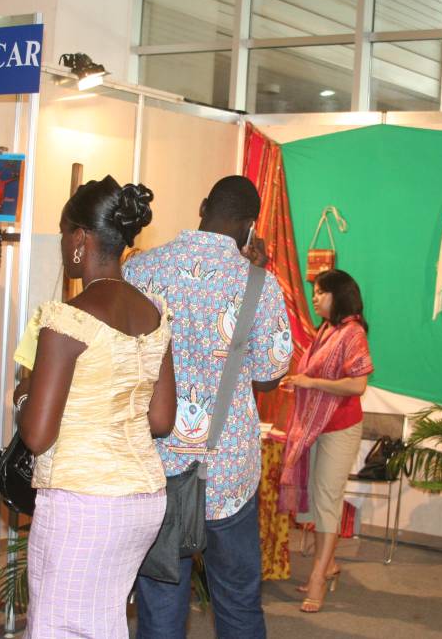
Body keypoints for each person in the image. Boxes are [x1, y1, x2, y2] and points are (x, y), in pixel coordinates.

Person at [125, 175, 292, 639]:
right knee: (237, 603)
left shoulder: (140, 270)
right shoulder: (260, 284)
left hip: (158, 464)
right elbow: (269, 375)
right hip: (228, 471)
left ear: (202, 207)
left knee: (160, 609)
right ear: (250, 226)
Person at [16, 176, 177, 638]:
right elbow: (161, 419)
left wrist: (23, 394)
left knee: (57, 626)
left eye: (64, 232)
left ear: (81, 239)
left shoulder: (68, 319)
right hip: (143, 499)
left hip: (81, 500)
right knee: (104, 622)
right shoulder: (154, 313)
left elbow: (37, 436)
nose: (63, 244)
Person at [277, 269, 373, 613]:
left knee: (328, 501)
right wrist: (299, 382)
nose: (315, 297)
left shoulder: (352, 332)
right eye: (314, 292)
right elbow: (316, 375)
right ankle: (328, 565)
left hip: (339, 428)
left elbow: (357, 385)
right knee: (318, 502)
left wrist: (311, 383)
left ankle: (318, 578)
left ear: (339, 295)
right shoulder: (327, 330)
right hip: (315, 427)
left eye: (320, 292)